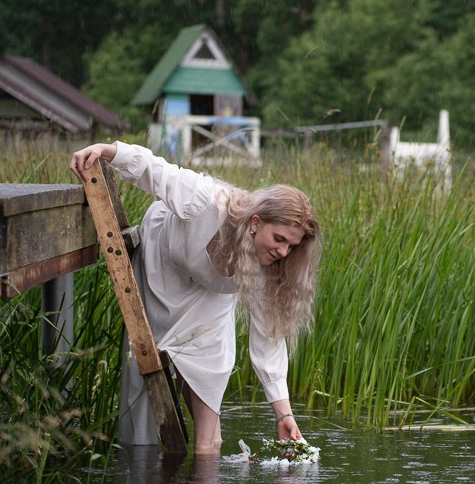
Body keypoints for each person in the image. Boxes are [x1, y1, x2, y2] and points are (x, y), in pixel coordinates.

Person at [70, 141, 320, 454]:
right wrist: (106, 150)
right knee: (155, 354)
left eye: (291, 246)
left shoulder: (271, 263)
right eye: (279, 239)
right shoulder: (206, 201)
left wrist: (284, 415)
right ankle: (157, 465)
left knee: (213, 359)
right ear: (256, 223)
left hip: (210, 295)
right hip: (165, 265)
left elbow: (269, 338)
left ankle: (206, 460)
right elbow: (156, 170)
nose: (283, 251)